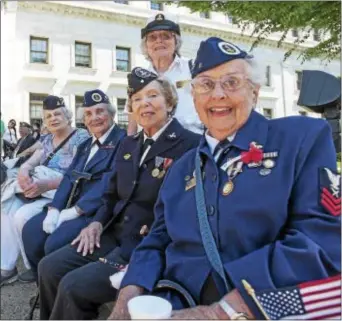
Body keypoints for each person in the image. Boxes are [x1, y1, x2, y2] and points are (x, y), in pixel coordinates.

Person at [110, 38, 341, 320]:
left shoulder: (301, 138)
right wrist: (130, 292)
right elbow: (158, 238)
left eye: (231, 82)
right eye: (205, 84)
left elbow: (320, 241)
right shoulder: (183, 167)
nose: (217, 94)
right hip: (174, 302)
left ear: (254, 92)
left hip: (259, 307)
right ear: (193, 97)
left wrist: (223, 311)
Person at [37, 67, 200, 320]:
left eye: (152, 96)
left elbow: (180, 215)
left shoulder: (190, 145)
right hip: (112, 232)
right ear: (131, 109)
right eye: (136, 99)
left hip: (144, 244)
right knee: (48, 267)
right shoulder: (129, 144)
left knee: (72, 286)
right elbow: (111, 194)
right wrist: (96, 223)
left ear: (169, 102)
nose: (144, 104)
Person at [21, 89, 126, 283]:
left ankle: (58, 289)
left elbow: (111, 181)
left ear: (111, 114)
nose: (94, 118)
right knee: (30, 232)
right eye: (88, 113)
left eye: (100, 111)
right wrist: (55, 208)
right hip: (68, 203)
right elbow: (70, 176)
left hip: (94, 210)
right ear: (84, 120)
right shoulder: (86, 144)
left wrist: (76, 211)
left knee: (53, 244)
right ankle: (43, 284)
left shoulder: (123, 141)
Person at [0, 95, 89, 286]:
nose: (53, 119)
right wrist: (24, 170)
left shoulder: (81, 137)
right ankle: (7, 267)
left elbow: (78, 175)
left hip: (64, 192)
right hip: (40, 187)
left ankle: (33, 266)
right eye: (48, 116)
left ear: (68, 116)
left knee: (21, 216)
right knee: (6, 208)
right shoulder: (48, 139)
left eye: (57, 114)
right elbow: (35, 159)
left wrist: (46, 185)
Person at [126, 13, 203, 135]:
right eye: (152, 37)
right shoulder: (139, 78)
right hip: (153, 146)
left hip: (192, 143)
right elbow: (133, 120)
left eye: (165, 36)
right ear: (146, 45)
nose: (159, 41)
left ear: (175, 41)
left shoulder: (194, 69)